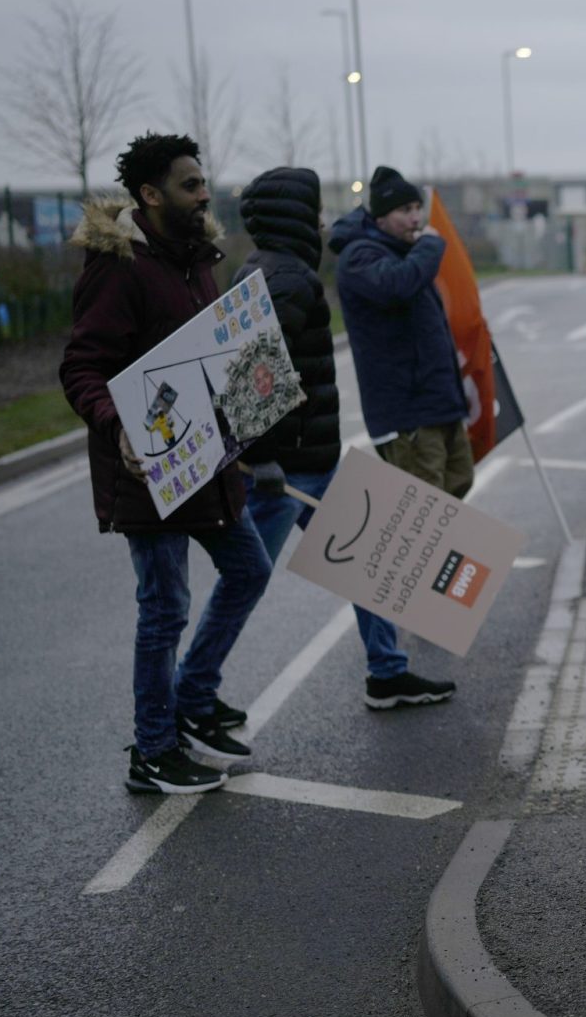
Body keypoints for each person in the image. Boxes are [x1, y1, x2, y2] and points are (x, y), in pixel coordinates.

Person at [59, 132, 269, 794]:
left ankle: (193, 702)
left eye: (203, 181)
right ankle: (152, 749)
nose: (204, 192)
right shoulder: (118, 266)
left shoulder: (195, 257)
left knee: (248, 569)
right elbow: (81, 365)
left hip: (207, 458)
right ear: (149, 195)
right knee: (165, 607)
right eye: (188, 184)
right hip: (147, 469)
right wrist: (115, 421)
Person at [234, 167, 453, 709]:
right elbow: (250, 376)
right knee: (242, 582)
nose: (323, 220)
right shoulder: (288, 278)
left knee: (368, 562)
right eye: (314, 210)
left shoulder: (281, 271)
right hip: (284, 470)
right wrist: (260, 457)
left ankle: (387, 670)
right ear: (295, 217)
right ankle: (191, 691)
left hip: (315, 457)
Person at [328, 165, 467, 707]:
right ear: (381, 214)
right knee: (419, 509)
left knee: (455, 485)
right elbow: (399, 287)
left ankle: (419, 587)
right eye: (408, 210)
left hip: (436, 403)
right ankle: (405, 612)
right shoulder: (364, 256)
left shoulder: (398, 252)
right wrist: (430, 248)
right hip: (407, 412)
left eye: (418, 210)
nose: (417, 219)